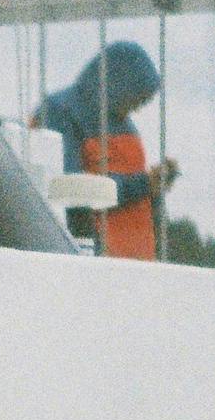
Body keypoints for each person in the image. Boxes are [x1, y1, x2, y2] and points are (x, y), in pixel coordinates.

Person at [34, 38, 178, 260]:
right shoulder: (59, 112)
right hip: (95, 262)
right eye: (138, 97)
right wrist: (146, 183)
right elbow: (68, 190)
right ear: (118, 82)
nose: (139, 106)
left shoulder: (124, 123)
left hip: (141, 266)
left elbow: (142, 194)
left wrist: (156, 185)